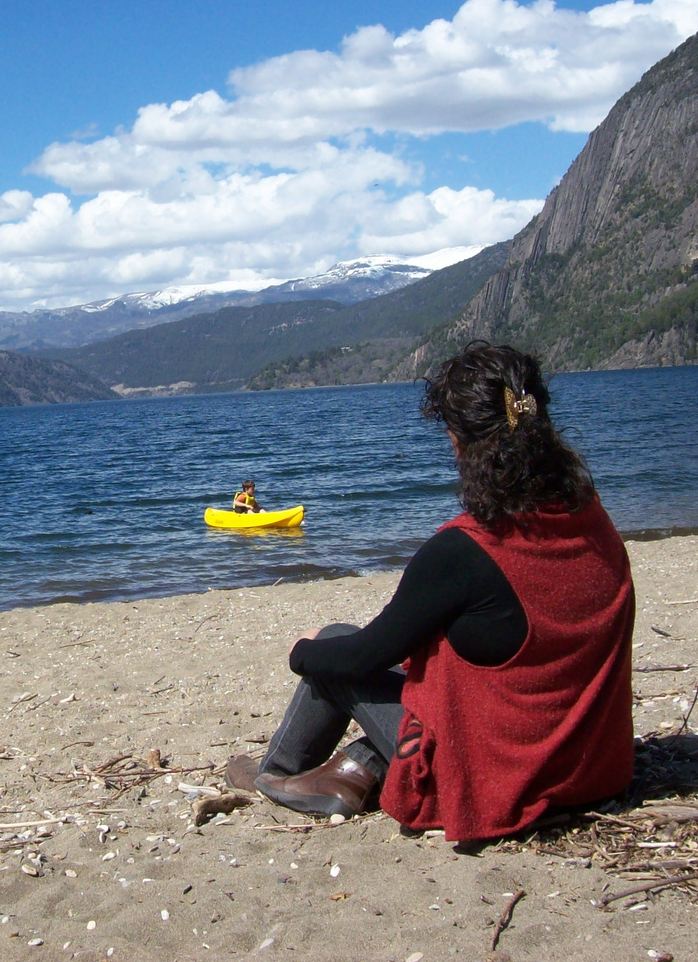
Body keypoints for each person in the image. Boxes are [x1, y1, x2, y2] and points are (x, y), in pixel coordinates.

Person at [226, 342, 635, 842]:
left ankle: (275, 772)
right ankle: (355, 769)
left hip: (500, 776)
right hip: (588, 766)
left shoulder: (464, 550)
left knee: (332, 645)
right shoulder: (592, 520)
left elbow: (363, 658)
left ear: (463, 443)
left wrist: (303, 652)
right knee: (424, 665)